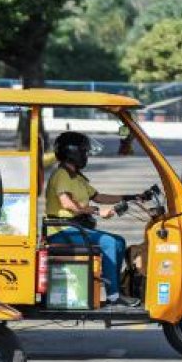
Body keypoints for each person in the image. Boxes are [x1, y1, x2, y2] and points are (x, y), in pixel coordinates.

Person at [45, 131, 146, 307]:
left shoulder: (75, 176)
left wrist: (131, 197)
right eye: (84, 152)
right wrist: (99, 212)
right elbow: (68, 204)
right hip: (61, 231)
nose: (86, 155)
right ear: (73, 153)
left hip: (75, 229)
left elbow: (98, 196)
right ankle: (114, 296)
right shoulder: (61, 175)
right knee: (108, 242)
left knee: (119, 241)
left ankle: (115, 290)